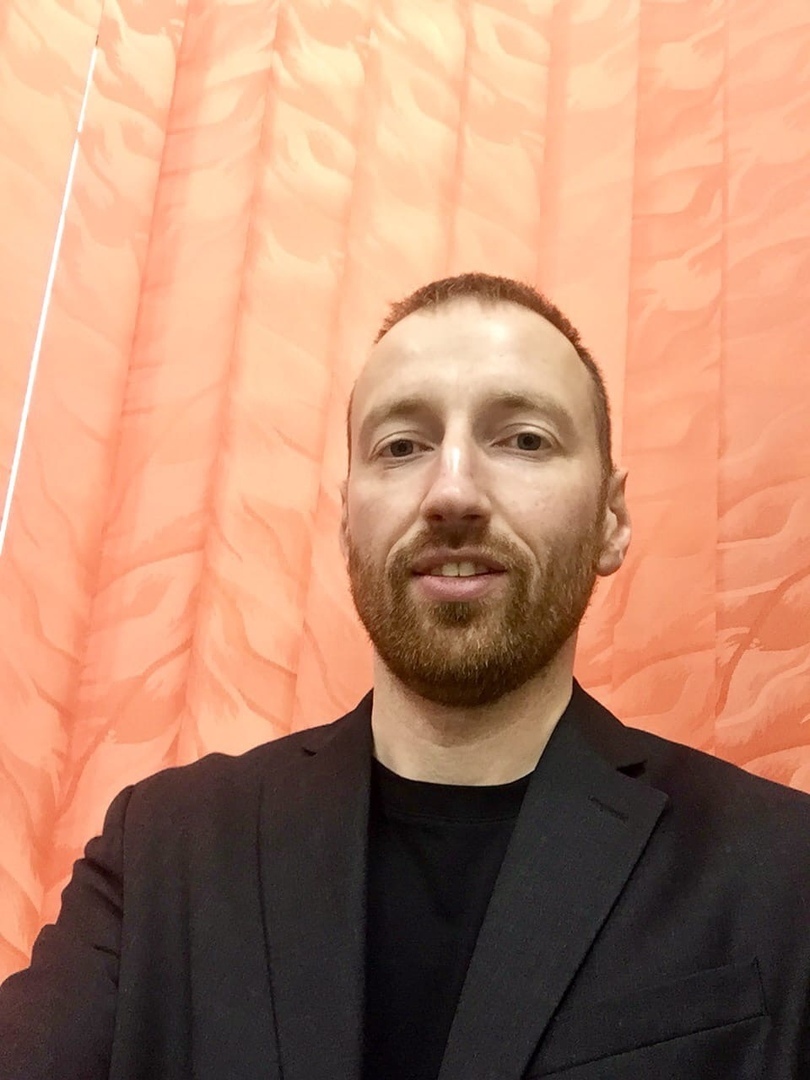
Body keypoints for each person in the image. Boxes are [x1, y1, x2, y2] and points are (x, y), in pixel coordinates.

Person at [1, 272, 809, 1080]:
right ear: (345, 519)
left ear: (611, 518)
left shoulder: (780, 870)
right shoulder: (162, 852)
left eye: (525, 440)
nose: (452, 491)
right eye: (401, 446)